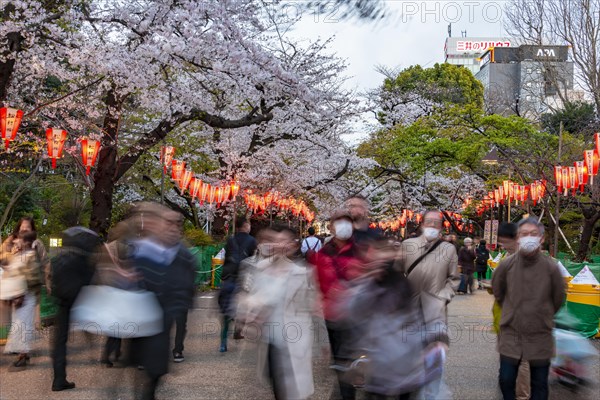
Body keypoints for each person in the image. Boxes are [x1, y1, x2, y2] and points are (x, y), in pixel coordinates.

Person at [238, 225, 316, 400]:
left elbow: (308, 308)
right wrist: (250, 310)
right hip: (270, 339)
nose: (280, 244)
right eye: (276, 240)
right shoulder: (260, 269)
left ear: (293, 245)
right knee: (276, 384)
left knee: (292, 389)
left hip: (293, 340)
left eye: (285, 241)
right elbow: (249, 297)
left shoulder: (302, 273)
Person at [127, 203, 196, 400]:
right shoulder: (142, 250)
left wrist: (178, 306)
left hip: (164, 317)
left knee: (155, 369)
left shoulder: (183, 255)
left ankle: (148, 392)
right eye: (168, 223)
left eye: (177, 223)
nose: (173, 227)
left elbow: (187, 285)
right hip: (139, 317)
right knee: (139, 364)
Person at [492, 217, 566, 400]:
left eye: (533, 234)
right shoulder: (506, 265)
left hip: (540, 332)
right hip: (511, 332)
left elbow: (558, 297)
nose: (529, 238)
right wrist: (511, 311)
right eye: (524, 234)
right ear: (518, 238)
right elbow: (498, 292)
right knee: (506, 379)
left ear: (541, 238)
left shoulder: (551, 267)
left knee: (539, 383)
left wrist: (544, 314)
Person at [393, 210, 460, 399]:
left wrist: (443, 297)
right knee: (407, 358)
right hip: (408, 312)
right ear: (422, 224)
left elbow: (454, 278)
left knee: (433, 360)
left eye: (436, 222)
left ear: (441, 226)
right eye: (428, 221)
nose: (432, 225)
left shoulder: (448, 249)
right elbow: (396, 275)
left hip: (436, 313)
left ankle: (431, 395)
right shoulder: (407, 245)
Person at [315, 209, 363, 400]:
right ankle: (344, 390)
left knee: (350, 357)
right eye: (339, 223)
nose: (343, 227)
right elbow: (317, 282)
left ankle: (346, 392)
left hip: (356, 313)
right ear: (331, 227)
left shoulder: (360, 251)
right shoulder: (323, 253)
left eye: (347, 223)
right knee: (340, 358)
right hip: (332, 314)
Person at [51, 226, 102, 391]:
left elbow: (54, 279)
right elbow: (90, 281)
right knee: (90, 326)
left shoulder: (60, 256)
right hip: (80, 300)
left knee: (60, 341)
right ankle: (95, 350)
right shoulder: (84, 258)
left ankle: (59, 379)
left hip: (62, 301)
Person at [2, 231, 42, 370]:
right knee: (18, 326)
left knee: (22, 326)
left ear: (25, 242)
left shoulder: (30, 256)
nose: (16, 242)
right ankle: (23, 354)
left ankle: (23, 355)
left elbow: (33, 278)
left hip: (26, 297)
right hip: (19, 297)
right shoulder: (20, 255)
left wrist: (20, 288)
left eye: (18, 239)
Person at [218, 217, 257, 352]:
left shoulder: (230, 240)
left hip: (229, 277)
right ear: (245, 225)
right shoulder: (252, 241)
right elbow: (253, 261)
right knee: (244, 306)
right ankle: (238, 330)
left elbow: (226, 258)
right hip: (244, 277)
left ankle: (223, 342)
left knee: (227, 309)